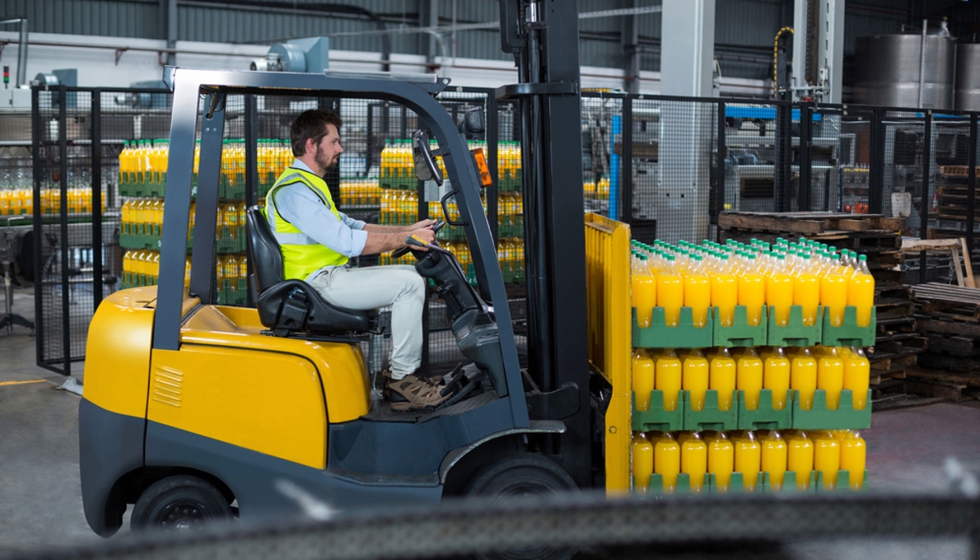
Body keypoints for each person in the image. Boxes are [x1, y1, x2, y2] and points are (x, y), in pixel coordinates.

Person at [264, 109, 450, 411]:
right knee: (410, 282)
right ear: (312, 145)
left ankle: (400, 375)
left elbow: (353, 226)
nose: (340, 148)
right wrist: (405, 240)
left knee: (409, 272)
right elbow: (346, 242)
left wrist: (408, 230)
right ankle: (403, 380)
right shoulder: (295, 192)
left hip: (324, 278)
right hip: (314, 285)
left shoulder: (308, 185)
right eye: (334, 141)